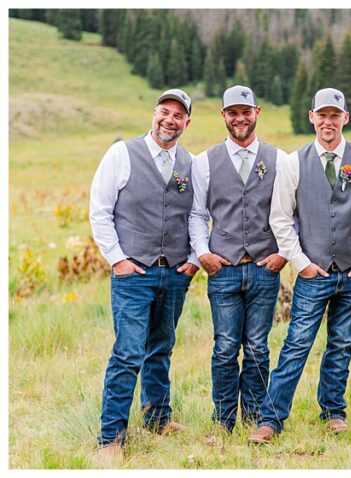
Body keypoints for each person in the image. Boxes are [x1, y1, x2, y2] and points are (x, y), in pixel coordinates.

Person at [249, 88, 351, 443]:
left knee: (341, 344)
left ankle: (333, 411)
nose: (328, 122)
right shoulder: (293, 162)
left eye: (335, 115)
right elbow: (281, 219)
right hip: (313, 274)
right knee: (297, 344)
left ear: (346, 118)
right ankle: (271, 419)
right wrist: (301, 263)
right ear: (312, 117)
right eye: (322, 115)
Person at [89, 89, 200, 459]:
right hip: (133, 273)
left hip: (174, 275)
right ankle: (110, 439)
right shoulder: (122, 153)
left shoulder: (191, 163)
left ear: (187, 122)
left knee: (161, 348)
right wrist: (117, 259)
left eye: (178, 115)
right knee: (127, 353)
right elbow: (100, 210)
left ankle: (157, 418)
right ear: (154, 114)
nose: (170, 119)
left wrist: (194, 261)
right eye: (164, 112)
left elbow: (198, 216)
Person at [189, 85, 288, 433]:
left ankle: (255, 416)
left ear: (257, 113)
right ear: (223, 116)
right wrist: (203, 254)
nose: (240, 118)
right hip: (224, 269)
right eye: (233, 112)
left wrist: (283, 253)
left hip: (265, 268)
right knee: (225, 348)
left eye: (246, 111)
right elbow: (198, 215)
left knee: (258, 347)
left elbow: (295, 213)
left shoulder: (280, 160)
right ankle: (223, 419)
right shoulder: (204, 162)